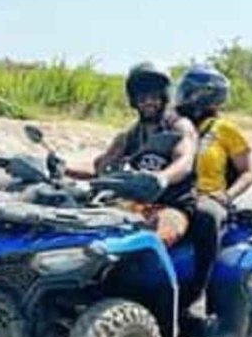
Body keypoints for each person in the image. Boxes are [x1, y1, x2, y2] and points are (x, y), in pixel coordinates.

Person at [76, 62, 199, 254]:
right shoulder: (130, 135)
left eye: (154, 96)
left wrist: (163, 177)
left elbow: (184, 161)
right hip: (133, 203)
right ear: (133, 100)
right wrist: (60, 168)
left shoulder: (179, 126)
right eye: (142, 97)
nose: (148, 102)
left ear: (164, 96)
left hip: (171, 205)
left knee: (155, 239)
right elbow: (100, 167)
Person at [176, 65, 252, 314]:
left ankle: (198, 292)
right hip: (172, 194)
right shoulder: (173, 124)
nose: (181, 96)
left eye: (187, 91)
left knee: (206, 216)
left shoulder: (225, 130)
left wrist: (226, 196)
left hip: (206, 196)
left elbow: (249, 172)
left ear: (205, 95)